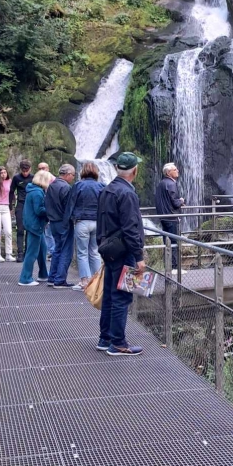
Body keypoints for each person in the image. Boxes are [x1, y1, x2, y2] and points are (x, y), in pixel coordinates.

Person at [96, 152, 145, 356]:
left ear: (117, 168)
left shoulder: (107, 189)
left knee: (109, 294)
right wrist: (139, 256)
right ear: (135, 171)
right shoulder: (128, 194)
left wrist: (102, 246)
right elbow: (130, 229)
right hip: (125, 252)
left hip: (110, 250)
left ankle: (105, 338)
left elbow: (101, 222)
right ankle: (118, 343)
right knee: (122, 296)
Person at [67, 161, 105, 290]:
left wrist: (68, 220)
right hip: (97, 222)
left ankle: (85, 282)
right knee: (94, 252)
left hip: (82, 222)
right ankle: (97, 282)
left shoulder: (78, 185)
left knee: (82, 253)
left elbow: (71, 204)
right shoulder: (102, 186)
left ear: (83, 171)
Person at [18, 170, 52, 286]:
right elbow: (39, 210)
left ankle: (43, 274)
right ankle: (25, 278)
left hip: (32, 224)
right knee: (32, 253)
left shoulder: (32, 190)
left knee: (42, 249)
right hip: (35, 225)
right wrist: (51, 210)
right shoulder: (37, 193)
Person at [45, 164, 76, 287]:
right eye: (73, 175)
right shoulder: (66, 188)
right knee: (66, 251)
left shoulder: (51, 185)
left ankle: (52, 277)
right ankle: (60, 280)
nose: (73, 178)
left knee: (57, 249)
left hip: (53, 222)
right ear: (67, 174)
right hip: (64, 222)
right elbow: (68, 208)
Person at [155, 163, 185, 269]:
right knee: (174, 242)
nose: (178, 171)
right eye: (175, 169)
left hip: (163, 217)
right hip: (171, 217)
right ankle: (174, 267)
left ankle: (167, 266)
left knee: (166, 242)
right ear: (168, 173)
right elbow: (175, 203)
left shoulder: (161, 183)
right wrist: (181, 201)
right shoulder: (171, 184)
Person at [10, 160, 33, 261]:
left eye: (27, 171)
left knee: (29, 229)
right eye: (23, 171)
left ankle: (27, 252)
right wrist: (10, 206)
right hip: (20, 204)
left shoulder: (33, 178)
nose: (25, 173)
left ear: (30, 169)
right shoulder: (16, 178)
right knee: (20, 229)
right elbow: (11, 191)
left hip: (31, 206)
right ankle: (20, 253)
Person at [0, 166, 15, 261]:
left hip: (6, 207)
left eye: (5, 172)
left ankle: (9, 254)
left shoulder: (9, 181)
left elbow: (12, 194)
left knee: (8, 231)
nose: (3, 174)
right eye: (1, 173)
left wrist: (11, 206)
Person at [38, 162, 57, 257]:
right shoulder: (39, 180)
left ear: (48, 169)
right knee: (46, 231)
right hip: (44, 208)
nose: (41, 170)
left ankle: (52, 251)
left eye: (43, 168)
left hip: (52, 209)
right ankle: (49, 251)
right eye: (39, 168)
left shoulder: (53, 180)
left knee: (50, 232)